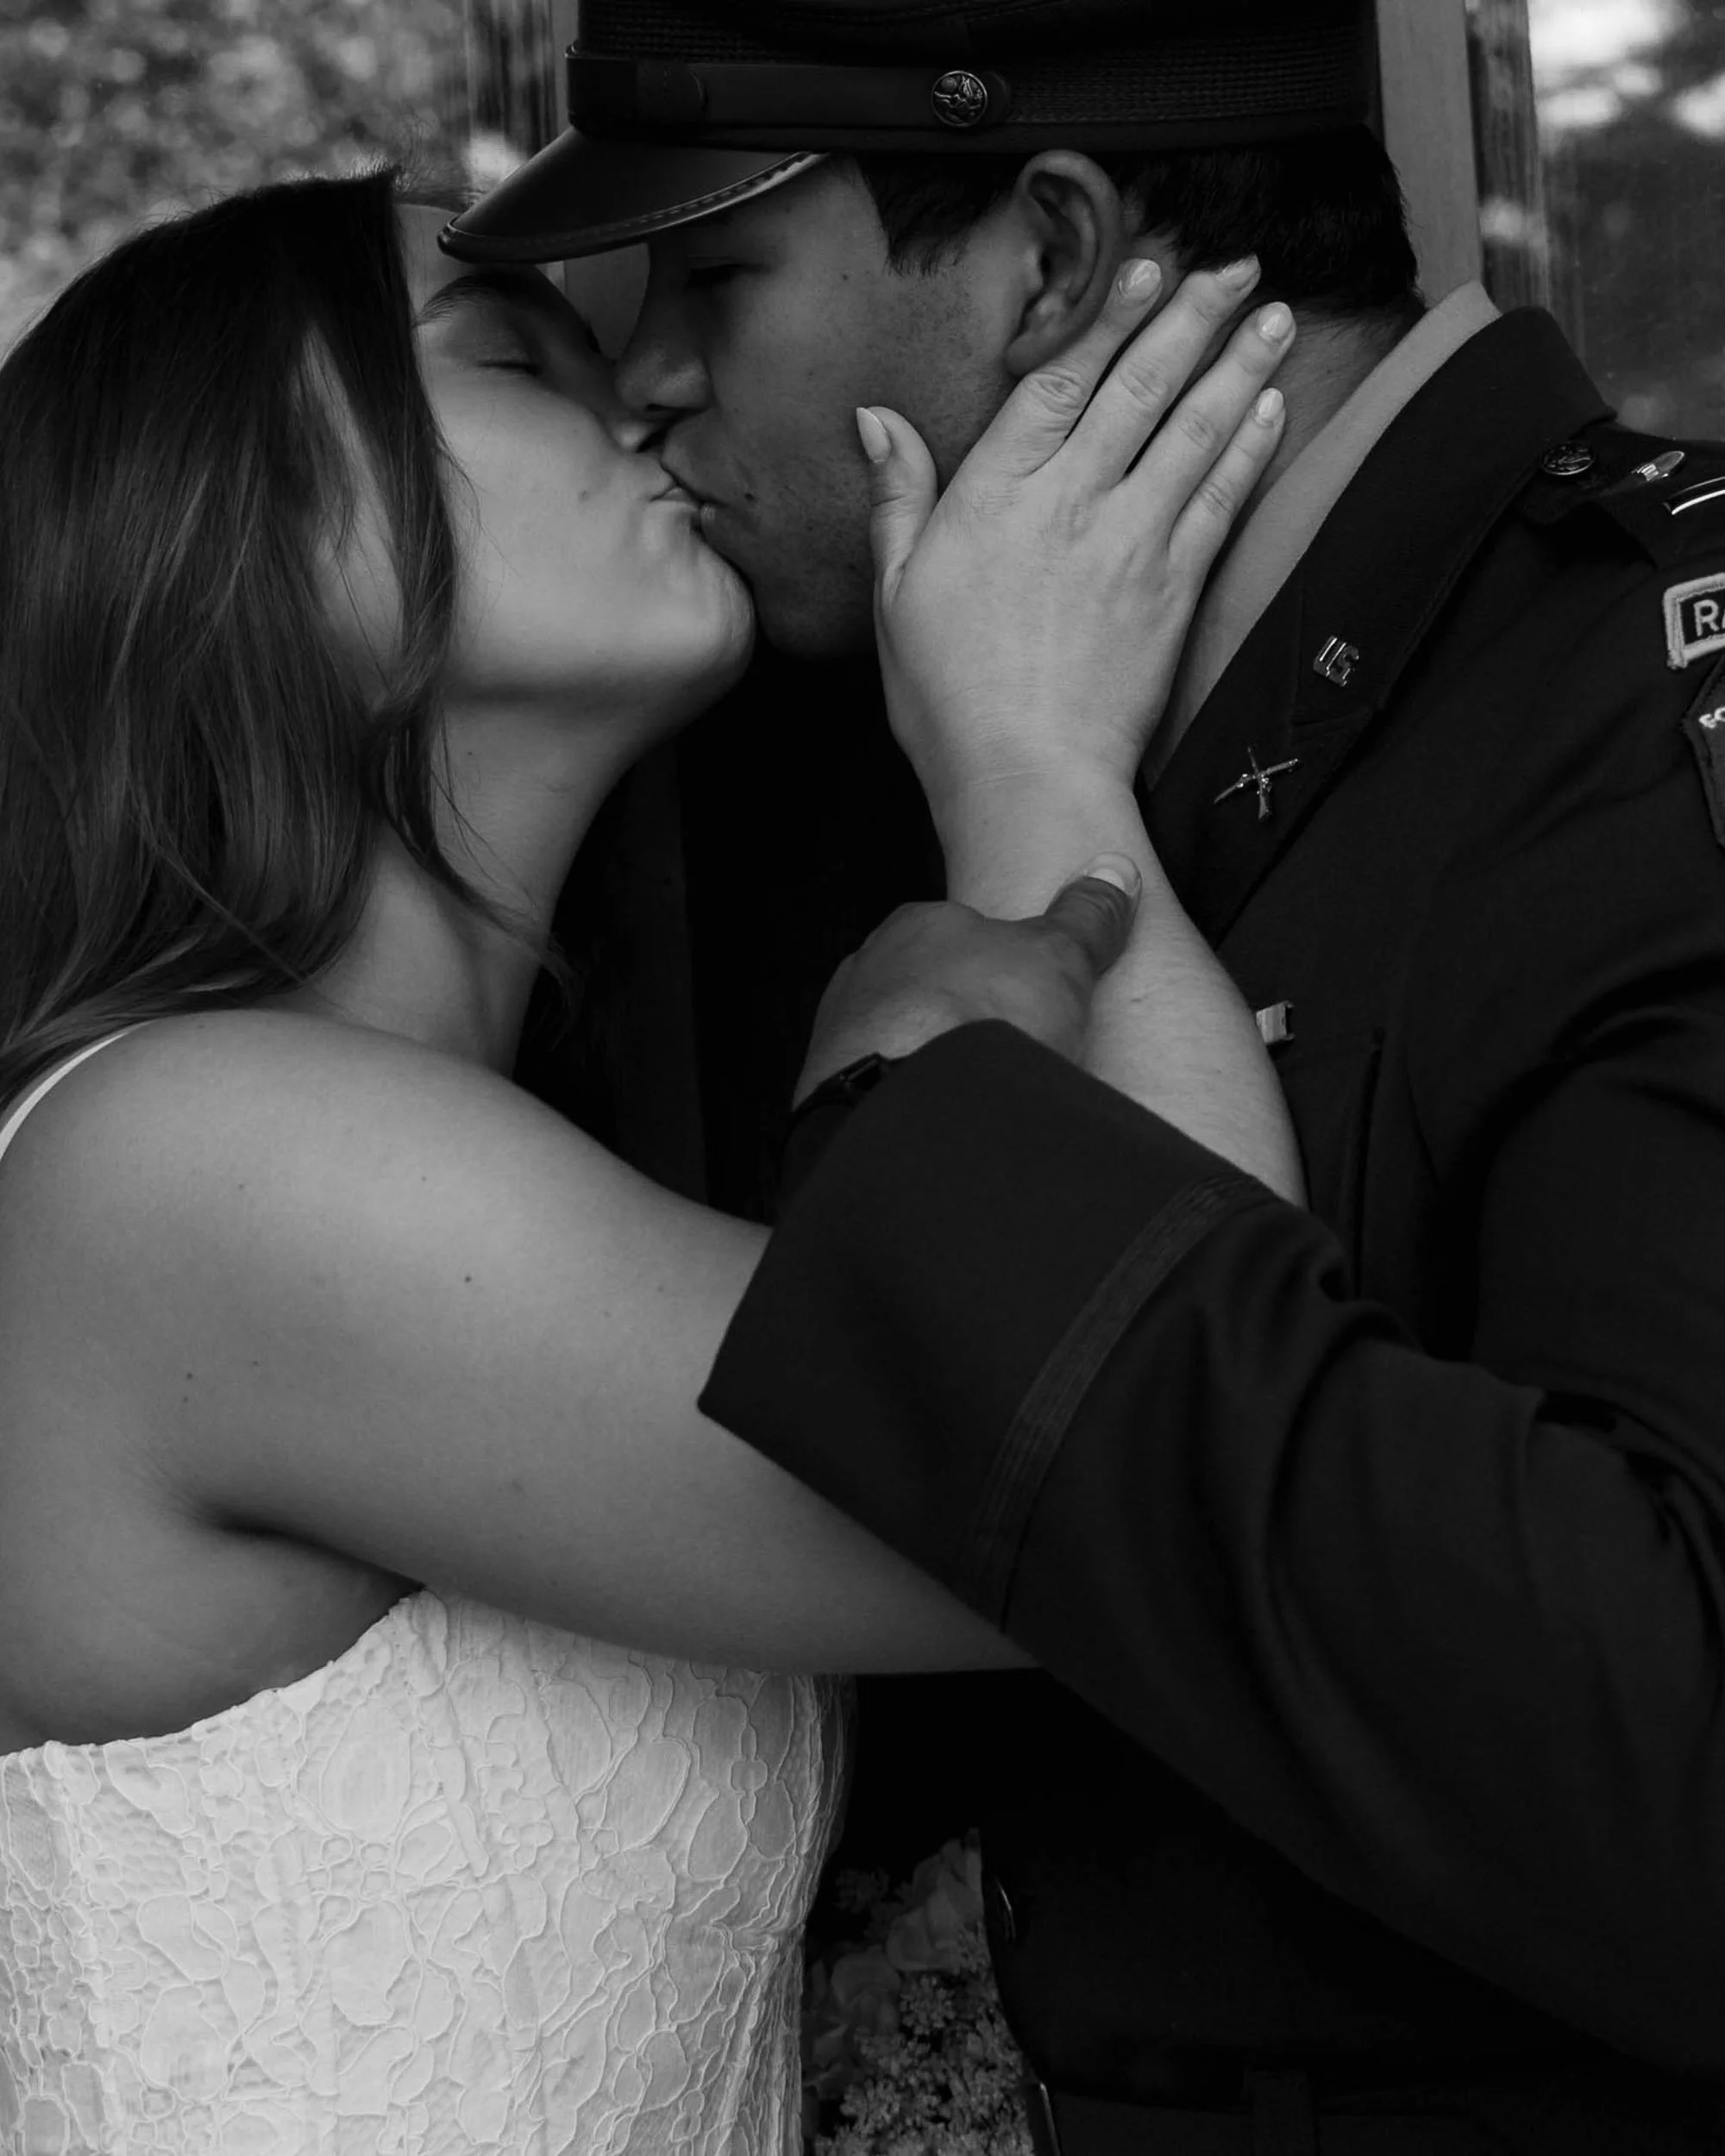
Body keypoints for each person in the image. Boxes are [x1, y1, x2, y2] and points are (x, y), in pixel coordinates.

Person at [443, 0, 1725, 2148]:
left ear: (1048, 255)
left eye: (714, 273)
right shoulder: (828, 727)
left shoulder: (1641, 683)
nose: (643, 372)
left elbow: (1678, 1784)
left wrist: (954, 1151)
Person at [0, 162, 1296, 2149]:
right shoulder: (196, 1162)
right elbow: (1190, 1473)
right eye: (513, 354)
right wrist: (1029, 752)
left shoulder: (396, 1160)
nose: (648, 398)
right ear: (251, 521)